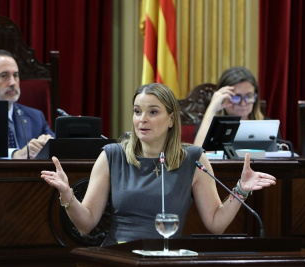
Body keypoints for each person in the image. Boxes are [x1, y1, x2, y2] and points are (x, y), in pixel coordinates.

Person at [41, 83, 276, 246]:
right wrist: (67, 194)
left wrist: (241, 190)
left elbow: (215, 224)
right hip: (119, 257)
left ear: (171, 118)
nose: (142, 119)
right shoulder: (112, 156)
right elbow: (86, 225)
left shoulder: (193, 159)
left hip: (167, 260)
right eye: (137, 111)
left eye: (153, 112)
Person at [0, 49, 54, 159]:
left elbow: (58, 149)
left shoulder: (36, 117)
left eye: (16, 75)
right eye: (4, 75)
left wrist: (48, 143)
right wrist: (14, 155)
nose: (13, 82)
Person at [194, 66, 278, 147]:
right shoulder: (208, 126)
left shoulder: (268, 126)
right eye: (236, 97)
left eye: (249, 96)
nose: (243, 103)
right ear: (223, 97)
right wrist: (212, 107)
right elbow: (197, 154)